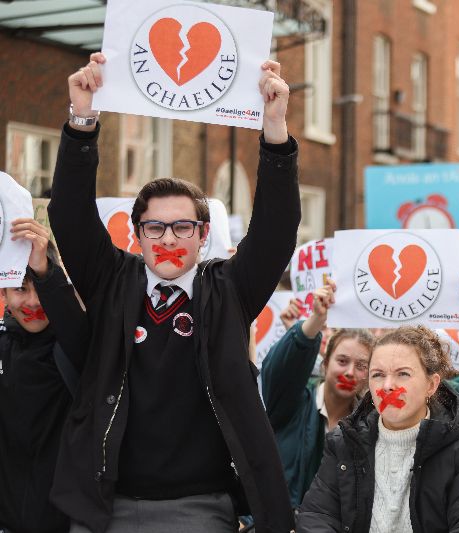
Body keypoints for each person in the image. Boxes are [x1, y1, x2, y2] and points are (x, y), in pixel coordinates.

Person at [47, 52, 299, 533]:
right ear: (136, 234)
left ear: (203, 235)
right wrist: (82, 118)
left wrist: (275, 128)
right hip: (106, 507)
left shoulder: (228, 291)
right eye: (154, 227)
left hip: (198, 509)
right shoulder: (112, 281)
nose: (167, 239)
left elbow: (276, 230)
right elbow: (70, 217)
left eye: (182, 227)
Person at [297, 326, 459, 532]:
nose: (388, 386)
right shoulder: (343, 441)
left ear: (431, 385)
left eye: (403, 374)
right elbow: (318, 514)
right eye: (377, 374)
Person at [1, 218, 87, 533]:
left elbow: (79, 334)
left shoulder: (77, 346)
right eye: (20, 289)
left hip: (66, 524)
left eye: (40, 288)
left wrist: (46, 272)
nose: (33, 302)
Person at [261, 278, 375, 508]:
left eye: (362, 366)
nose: (350, 372)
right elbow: (282, 368)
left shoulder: (372, 425)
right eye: (342, 361)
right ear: (325, 364)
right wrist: (316, 319)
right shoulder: (292, 403)